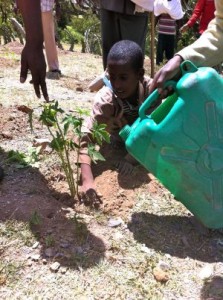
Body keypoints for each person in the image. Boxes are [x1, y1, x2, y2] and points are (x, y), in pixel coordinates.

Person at [79, 40, 160, 206]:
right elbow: (86, 138)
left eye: (123, 78)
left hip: (141, 137)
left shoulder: (151, 93)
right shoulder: (106, 101)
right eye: (112, 77)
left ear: (139, 74)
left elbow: (156, 131)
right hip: (114, 136)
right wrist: (87, 179)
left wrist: (130, 159)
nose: (116, 84)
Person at [149, 0, 223, 96]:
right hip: (208, 37)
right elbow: (220, 27)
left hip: (210, 40)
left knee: (214, 72)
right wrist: (183, 58)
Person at [41, 0, 61, 79]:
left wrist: (58, 4)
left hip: (46, 6)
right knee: (33, 37)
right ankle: (32, 65)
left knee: (49, 36)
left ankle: (53, 68)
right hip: (31, 6)